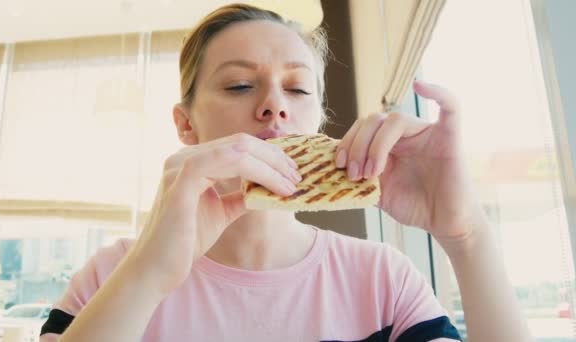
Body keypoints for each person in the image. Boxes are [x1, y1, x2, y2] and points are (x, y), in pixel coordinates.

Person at [40, 3, 531, 342]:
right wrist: (147, 277)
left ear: (317, 120)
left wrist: (467, 237)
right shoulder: (114, 274)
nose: (275, 106)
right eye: (238, 85)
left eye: (297, 90)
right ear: (185, 124)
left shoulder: (381, 279)